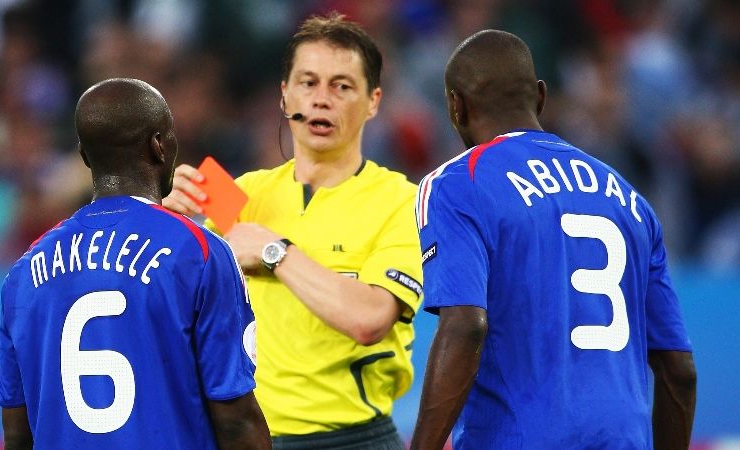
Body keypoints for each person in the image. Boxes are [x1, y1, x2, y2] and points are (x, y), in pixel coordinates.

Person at [410, 30, 697, 450]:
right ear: (541, 97)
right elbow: (679, 370)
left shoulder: (459, 183)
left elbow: (466, 325)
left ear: (456, 105)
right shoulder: (629, 199)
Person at [164, 13, 423, 450]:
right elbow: (175, 312)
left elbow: (368, 320)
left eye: (341, 86)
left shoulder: (402, 201)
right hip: (246, 436)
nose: (321, 99)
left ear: (373, 101)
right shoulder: (239, 194)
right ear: (284, 97)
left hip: (352, 440)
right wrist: (165, 223)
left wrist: (275, 252)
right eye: (307, 83)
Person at [0, 78, 271, 450]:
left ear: (85, 156)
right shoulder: (200, 252)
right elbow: (235, 421)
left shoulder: (24, 272)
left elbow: (17, 433)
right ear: (160, 145)